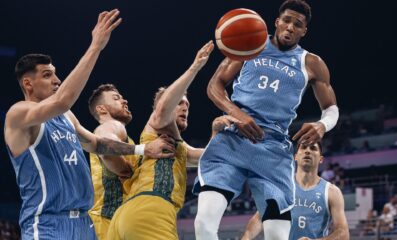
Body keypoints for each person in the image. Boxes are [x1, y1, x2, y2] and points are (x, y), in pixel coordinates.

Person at [4, 10, 175, 239]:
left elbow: (96, 144)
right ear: (28, 83)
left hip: (85, 225)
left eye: (55, 74)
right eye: (47, 75)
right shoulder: (18, 114)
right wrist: (96, 46)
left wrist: (142, 149)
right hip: (48, 225)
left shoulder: (66, 117)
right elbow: (63, 99)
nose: (57, 80)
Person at [194, 1, 339, 239]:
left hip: (274, 149)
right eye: (287, 20)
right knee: (203, 225)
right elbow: (214, 86)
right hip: (233, 139)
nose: (291, 27)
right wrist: (236, 113)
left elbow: (331, 108)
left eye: (298, 24)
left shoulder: (312, 63)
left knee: (277, 236)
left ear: (304, 31)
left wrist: (322, 125)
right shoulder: (251, 44)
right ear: (277, 22)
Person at [107, 41, 236, 239]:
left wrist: (216, 133)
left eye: (188, 105)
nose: (185, 108)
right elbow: (164, 108)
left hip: (126, 216)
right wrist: (195, 67)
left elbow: (209, 158)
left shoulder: (178, 146)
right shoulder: (157, 124)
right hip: (152, 211)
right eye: (180, 103)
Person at [87, 84, 176, 239]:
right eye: (116, 98)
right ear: (102, 109)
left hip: (117, 222)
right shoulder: (111, 126)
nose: (124, 101)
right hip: (106, 222)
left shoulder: (128, 142)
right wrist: (143, 151)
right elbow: (104, 145)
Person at [241, 142, 349, 240]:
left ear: (321, 159)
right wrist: (246, 237)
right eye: (303, 147)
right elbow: (260, 218)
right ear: (295, 157)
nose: (308, 151)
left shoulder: (331, 192)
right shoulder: (280, 186)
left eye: (313, 148)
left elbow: (343, 233)